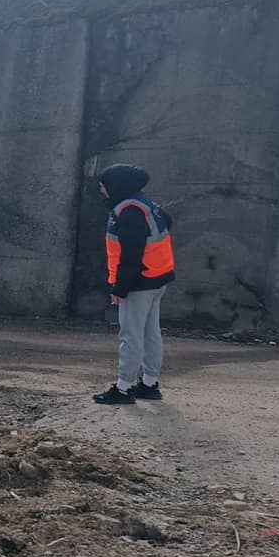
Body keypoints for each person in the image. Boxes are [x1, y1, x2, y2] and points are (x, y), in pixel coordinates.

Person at [94, 164, 176, 405]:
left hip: (139, 283)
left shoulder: (129, 210)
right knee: (150, 332)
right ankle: (149, 383)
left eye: (103, 185)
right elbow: (166, 223)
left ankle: (123, 388)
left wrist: (120, 286)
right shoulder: (144, 203)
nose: (101, 189)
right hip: (156, 278)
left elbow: (131, 254)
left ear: (116, 185)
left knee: (131, 334)